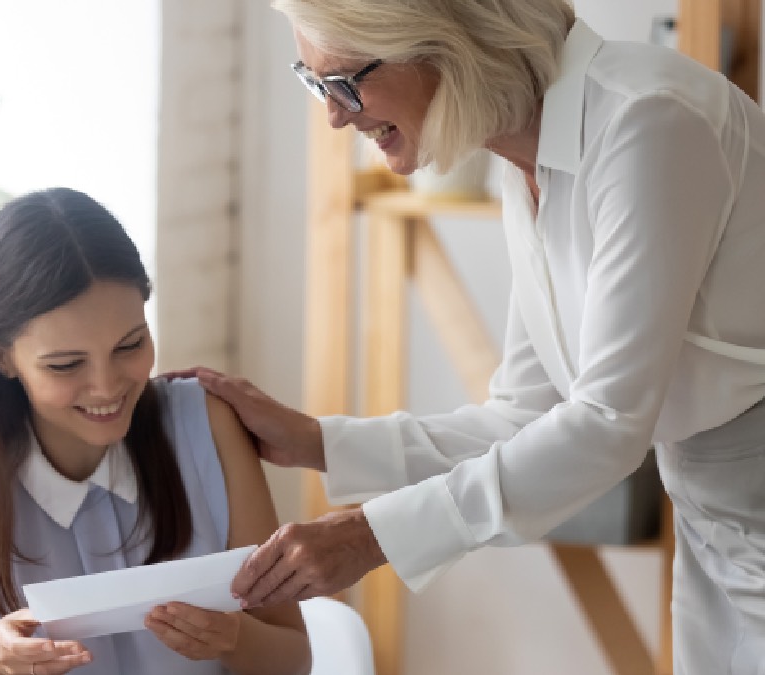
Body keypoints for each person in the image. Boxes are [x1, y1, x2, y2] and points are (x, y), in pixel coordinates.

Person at [184, 1, 765, 673]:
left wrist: (372, 535)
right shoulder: (525, 154)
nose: (334, 115)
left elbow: (607, 424)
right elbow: (524, 413)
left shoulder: (647, 122)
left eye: (343, 82)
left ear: (443, 46)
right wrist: (315, 441)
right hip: (709, 505)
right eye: (313, 83)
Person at [0, 188, 310, 675]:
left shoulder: (209, 426)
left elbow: (293, 660)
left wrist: (235, 638)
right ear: (0, 356)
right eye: (66, 364)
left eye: (130, 344)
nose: (107, 386)